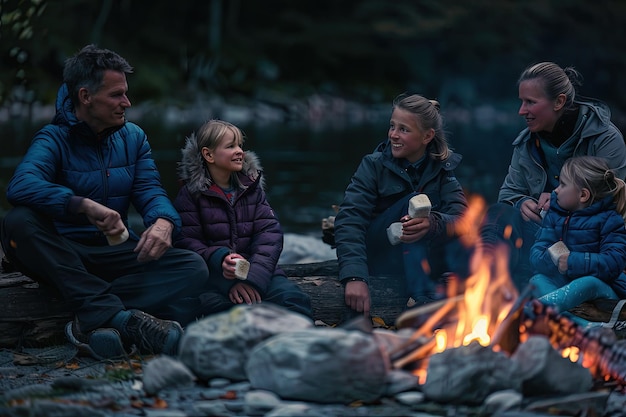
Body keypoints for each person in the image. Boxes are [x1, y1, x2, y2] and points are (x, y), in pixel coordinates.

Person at [0, 44, 211, 360]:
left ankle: (94, 316)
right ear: (85, 97)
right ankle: (115, 316)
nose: (127, 102)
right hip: (62, 254)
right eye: (116, 95)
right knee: (17, 223)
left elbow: (151, 192)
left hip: (113, 254)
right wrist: (81, 204)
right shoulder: (52, 138)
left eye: (125, 93)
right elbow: (21, 186)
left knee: (192, 267)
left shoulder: (134, 138)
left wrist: (164, 222)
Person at [480, 62, 626, 290]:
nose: (521, 111)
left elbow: (615, 204)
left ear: (559, 102)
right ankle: (483, 285)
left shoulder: (605, 139)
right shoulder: (526, 143)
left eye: (530, 102)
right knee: (499, 214)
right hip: (543, 242)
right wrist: (522, 202)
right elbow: (508, 194)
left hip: (588, 247)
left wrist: (560, 203)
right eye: (521, 101)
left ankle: (518, 293)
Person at [333, 93, 468, 318]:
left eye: (403, 129)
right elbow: (349, 221)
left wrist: (433, 224)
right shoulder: (373, 165)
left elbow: (462, 218)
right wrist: (354, 277)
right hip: (382, 256)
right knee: (411, 202)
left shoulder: (442, 169)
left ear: (427, 136)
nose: (393, 135)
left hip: (425, 259)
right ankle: (422, 299)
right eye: (392, 126)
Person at [172, 119, 313, 319]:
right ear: (208, 154)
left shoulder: (251, 189)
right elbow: (185, 242)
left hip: (258, 271)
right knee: (207, 308)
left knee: (293, 301)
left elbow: (270, 235)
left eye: (240, 145)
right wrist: (219, 258)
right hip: (215, 278)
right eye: (231, 146)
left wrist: (251, 278)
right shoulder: (191, 194)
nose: (240, 151)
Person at [528, 156, 626, 329]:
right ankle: (585, 327)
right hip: (564, 287)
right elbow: (536, 253)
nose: (556, 190)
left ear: (583, 195)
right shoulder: (554, 216)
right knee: (537, 280)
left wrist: (573, 262)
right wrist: (553, 258)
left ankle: (529, 311)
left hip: (603, 290)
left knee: (587, 282)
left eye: (563, 185)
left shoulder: (610, 220)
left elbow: (614, 262)